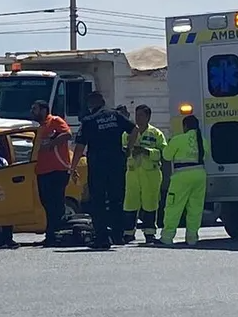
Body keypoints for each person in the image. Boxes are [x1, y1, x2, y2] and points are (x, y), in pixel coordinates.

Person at [70, 92, 139, 249]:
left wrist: (72, 167)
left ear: (91, 105)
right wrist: (128, 148)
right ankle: (118, 236)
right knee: (117, 200)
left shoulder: (89, 121)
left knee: (98, 201)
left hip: (98, 165)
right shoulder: (116, 115)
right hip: (117, 163)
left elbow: (80, 147)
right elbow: (134, 130)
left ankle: (102, 238)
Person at [161, 115, 210, 246]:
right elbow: (207, 155)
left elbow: (166, 155)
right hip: (200, 175)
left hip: (182, 176)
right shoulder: (202, 141)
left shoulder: (178, 139)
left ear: (185, 126)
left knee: (174, 206)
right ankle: (192, 238)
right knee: (195, 208)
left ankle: (167, 237)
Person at [122, 105, 167, 245]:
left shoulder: (156, 133)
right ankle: (128, 233)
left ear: (148, 117)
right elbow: (122, 148)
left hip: (151, 173)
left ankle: (150, 233)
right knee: (130, 203)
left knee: (150, 202)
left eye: (141, 115)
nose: (138, 118)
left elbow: (164, 152)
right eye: (137, 115)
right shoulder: (128, 133)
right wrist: (130, 150)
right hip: (133, 172)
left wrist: (146, 151)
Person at [31, 100, 71, 247]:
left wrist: (50, 144)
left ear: (43, 110)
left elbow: (67, 134)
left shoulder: (54, 121)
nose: (32, 112)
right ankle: (51, 235)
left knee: (57, 204)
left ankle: (58, 236)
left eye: (35, 109)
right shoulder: (37, 127)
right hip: (42, 171)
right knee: (46, 204)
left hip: (58, 169)